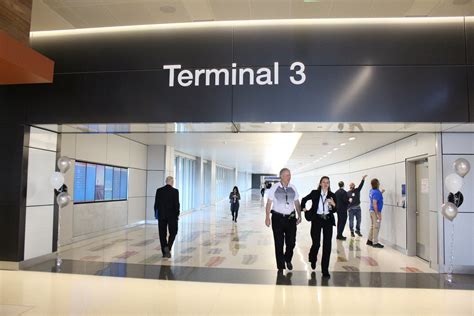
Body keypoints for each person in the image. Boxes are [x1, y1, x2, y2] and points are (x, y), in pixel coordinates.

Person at [265, 168, 302, 272]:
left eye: (289, 175)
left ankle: (288, 258)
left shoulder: (293, 188)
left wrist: (299, 215)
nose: (288, 177)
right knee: (279, 243)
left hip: (290, 218)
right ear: (281, 176)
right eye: (286, 175)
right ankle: (281, 266)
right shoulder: (274, 188)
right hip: (277, 218)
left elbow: (297, 203)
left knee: (291, 242)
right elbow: (269, 203)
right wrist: (267, 217)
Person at [301, 176, 337, 278]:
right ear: (320, 183)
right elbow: (304, 200)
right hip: (316, 219)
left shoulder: (332, 195)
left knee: (327, 245)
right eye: (324, 182)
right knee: (316, 243)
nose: (325, 184)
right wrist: (304, 210)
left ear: (329, 184)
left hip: (327, 221)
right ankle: (312, 258)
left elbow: (335, 209)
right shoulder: (315, 193)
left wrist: (333, 203)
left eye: (327, 183)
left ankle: (325, 270)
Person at [154, 176, 180, 258]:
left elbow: (156, 204)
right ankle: (168, 248)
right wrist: (177, 214)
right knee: (173, 232)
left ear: (166, 181)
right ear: (172, 182)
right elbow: (177, 205)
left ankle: (164, 250)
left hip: (161, 215)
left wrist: (156, 214)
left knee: (162, 233)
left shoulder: (159, 191)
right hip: (172, 216)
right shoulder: (175, 191)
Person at [367, 178, 385, 248]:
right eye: (378, 183)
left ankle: (369, 240)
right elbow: (375, 203)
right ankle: (375, 242)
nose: (379, 184)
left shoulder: (372, 191)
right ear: (376, 184)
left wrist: (381, 192)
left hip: (371, 211)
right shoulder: (377, 192)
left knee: (372, 226)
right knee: (376, 227)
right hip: (375, 212)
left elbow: (375, 197)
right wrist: (378, 214)